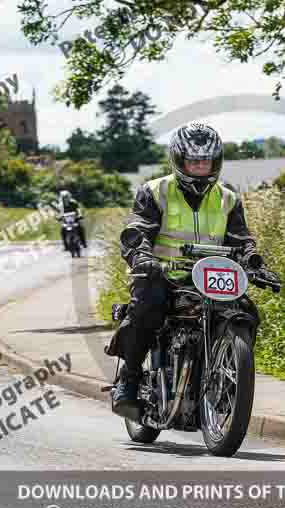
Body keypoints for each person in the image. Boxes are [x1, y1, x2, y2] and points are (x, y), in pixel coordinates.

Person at [110, 122, 263, 421]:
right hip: (163, 275)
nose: (200, 167)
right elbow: (138, 229)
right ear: (179, 160)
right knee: (148, 306)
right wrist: (142, 256)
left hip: (209, 279)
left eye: (205, 161)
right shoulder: (156, 191)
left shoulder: (228, 198)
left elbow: (241, 239)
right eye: (193, 161)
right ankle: (128, 382)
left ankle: (224, 378)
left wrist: (254, 261)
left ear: (215, 162)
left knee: (247, 312)